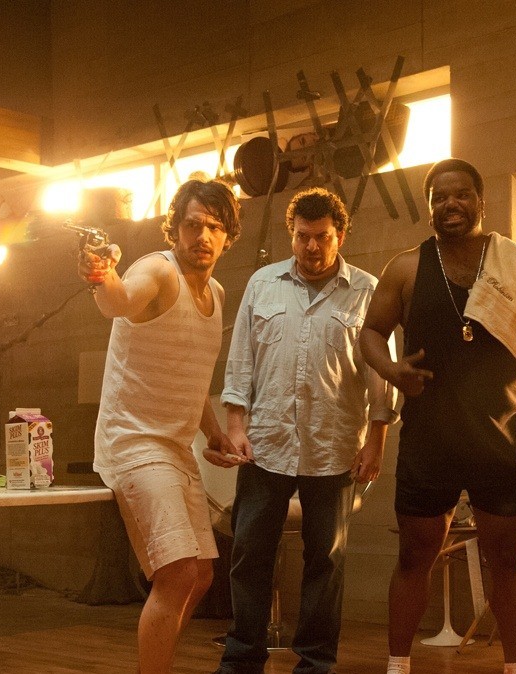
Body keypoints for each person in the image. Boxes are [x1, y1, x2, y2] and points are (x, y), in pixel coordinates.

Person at [360, 158, 516, 674]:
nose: (450, 204)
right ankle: (397, 666)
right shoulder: (406, 268)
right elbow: (370, 332)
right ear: (430, 207)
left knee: (506, 557)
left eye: (460, 195)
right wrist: (391, 369)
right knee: (414, 556)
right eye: (439, 197)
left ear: (481, 202)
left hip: (502, 435)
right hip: (429, 437)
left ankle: (515, 669)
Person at [210, 187, 397, 674]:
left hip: (335, 447)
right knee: (249, 554)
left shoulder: (367, 290)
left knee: (326, 562)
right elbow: (241, 359)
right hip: (265, 444)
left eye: (322, 237)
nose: (311, 247)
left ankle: (315, 664)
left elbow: (380, 374)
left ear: (340, 235)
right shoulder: (263, 283)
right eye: (302, 237)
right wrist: (235, 425)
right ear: (291, 235)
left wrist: (377, 441)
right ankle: (241, 659)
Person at [79, 177, 243, 674]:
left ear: (227, 237)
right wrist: (102, 273)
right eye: (192, 224)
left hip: (176, 449)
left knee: (202, 575)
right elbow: (119, 301)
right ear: (175, 229)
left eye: (214, 227)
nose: (203, 236)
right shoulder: (157, 269)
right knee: (176, 574)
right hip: (133, 443)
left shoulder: (216, 293)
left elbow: (191, 378)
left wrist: (214, 433)